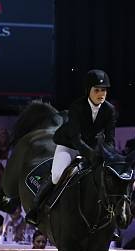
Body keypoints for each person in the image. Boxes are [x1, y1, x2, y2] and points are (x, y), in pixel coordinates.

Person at [26, 69, 116, 226]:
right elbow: (76, 139)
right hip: (70, 145)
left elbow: (110, 139)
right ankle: (36, 209)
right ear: (88, 90)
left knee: (107, 178)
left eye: (104, 90)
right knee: (57, 175)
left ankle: (110, 221)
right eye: (97, 90)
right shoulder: (77, 107)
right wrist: (91, 155)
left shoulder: (109, 110)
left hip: (93, 147)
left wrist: (109, 155)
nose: (101, 94)